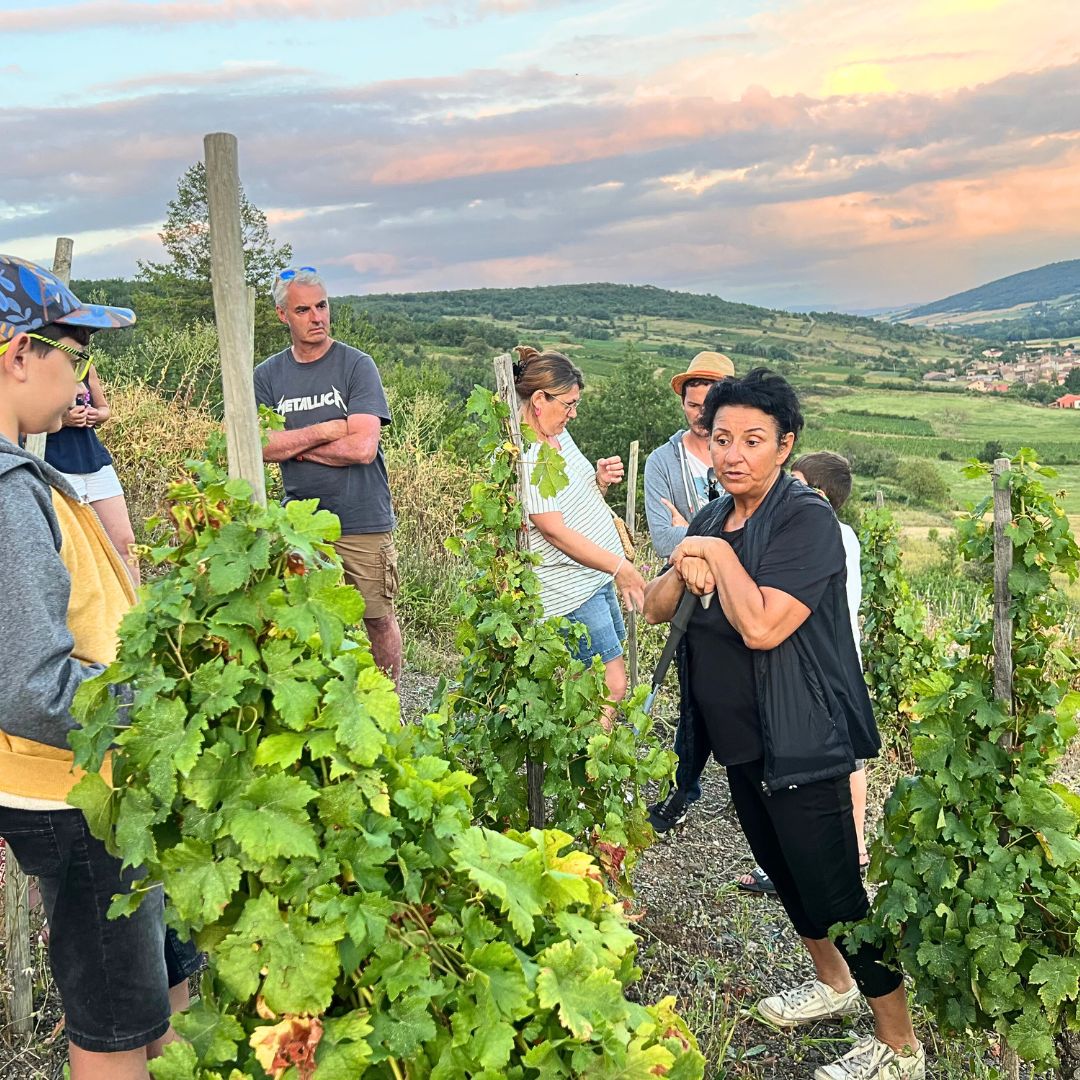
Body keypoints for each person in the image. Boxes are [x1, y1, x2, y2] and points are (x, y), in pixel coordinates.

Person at [643, 369, 923, 1080]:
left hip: (803, 739)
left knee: (837, 894)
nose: (732, 453)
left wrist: (718, 558)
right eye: (720, 437)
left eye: (752, 440)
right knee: (785, 873)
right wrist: (685, 557)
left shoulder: (806, 520)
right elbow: (654, 606)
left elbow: (765, 626)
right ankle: (832, 985)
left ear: (784, 445)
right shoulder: (712, 519)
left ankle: (900, 1048)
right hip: (740, 741)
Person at [0, 255, 200, 1080]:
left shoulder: (29, 467)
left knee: (158, 982)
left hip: (104, 777)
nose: (83, 375)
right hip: (72, 795)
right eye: (73, 351)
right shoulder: (6, 491)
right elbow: (29, 685)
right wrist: (165, 705)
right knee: (114, 1018)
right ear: (16, 352)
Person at [254, 267, 401, 684]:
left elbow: (362, 448)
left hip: (362, 519)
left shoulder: (356, 365)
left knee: (377, 620)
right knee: (304, 620)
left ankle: (387, 703)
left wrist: (297, 447)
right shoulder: (267, 376)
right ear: (284, 316)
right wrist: (326, 429)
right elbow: (263, 447)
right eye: (304, 309)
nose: (317, 317)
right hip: (300, 524)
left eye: (322, 306)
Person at [737, 450, 869, 895]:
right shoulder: (846, 533)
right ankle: (854, 847)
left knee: (801, 759)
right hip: (844, 653)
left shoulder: (810, 530)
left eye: (793, 481)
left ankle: (793, 863)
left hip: (811, 656)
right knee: (843, 754)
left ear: (815, 492)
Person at [515, 346, 645, 721]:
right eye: (568, 405)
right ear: (539, 399)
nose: (573, 414)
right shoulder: (528, 454)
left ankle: (584, 762)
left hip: (592, 575)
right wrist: (620, 567)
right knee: (610, 686)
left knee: (590, 686)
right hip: (569, 588)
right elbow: (554, 531)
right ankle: (589, 772)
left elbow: (570, 501)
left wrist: (599, 481)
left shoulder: (556, 436)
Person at [643, 351, 735, 832]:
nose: (699, 414)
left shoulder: (743, 455)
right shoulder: (662, 462)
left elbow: (761, 534)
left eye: (708, 404)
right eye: (691, 404)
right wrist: (718, 538)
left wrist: (692, 532)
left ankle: (754, 791)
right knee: (694, 699)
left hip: (744, 599)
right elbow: (662, 538)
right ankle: (684, 790)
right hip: (691, 603)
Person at [44, 362, 141, 585]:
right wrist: (64, 420)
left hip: (93, 459)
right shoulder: (37, 367)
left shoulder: (85, 366)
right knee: (75, 550)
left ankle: (138, 609)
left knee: (126, 542)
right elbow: (23, 420)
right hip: (55, 463)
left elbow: (105, 409)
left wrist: (96, 415)